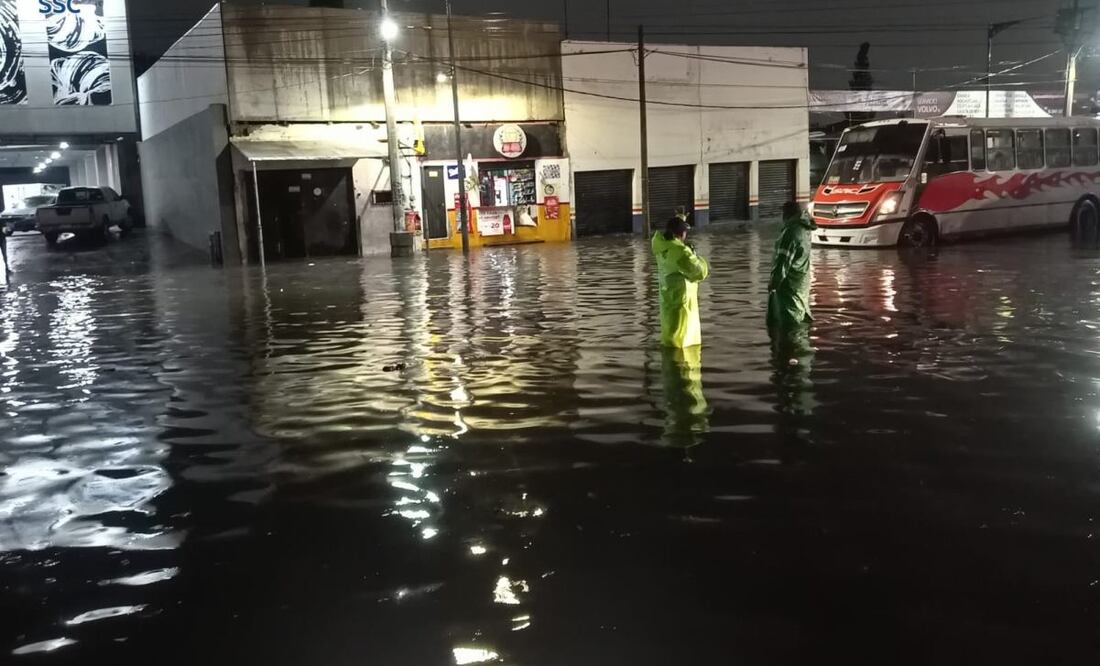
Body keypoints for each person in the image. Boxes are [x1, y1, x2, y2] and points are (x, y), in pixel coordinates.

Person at [652, 215, 709, 348]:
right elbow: (699, 272)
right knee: (683, 340)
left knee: (670, 336)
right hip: (683, 302)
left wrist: (680, 219)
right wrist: (696, 256)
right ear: (681, 234)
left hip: (667, 301)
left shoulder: (661, 248)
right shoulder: (681, 252)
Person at [767, 201, 816, 332]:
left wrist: (774, 283)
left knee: (788, 324)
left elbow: (783, 261)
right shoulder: (804, 229)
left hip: (789, 287)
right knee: (800, 316)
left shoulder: (790, 232)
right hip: (801, 282)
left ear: (786, 214)